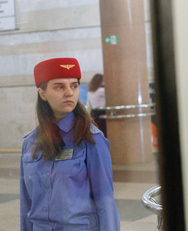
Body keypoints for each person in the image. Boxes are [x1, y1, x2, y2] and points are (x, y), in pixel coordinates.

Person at [20, 58, 120, 231]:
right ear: (42, 93)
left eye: (74, 85)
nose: (69, 93)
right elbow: (26, 204)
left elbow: (105, 201)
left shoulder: (90, 139)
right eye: (59, 87)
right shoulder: (31, 143)